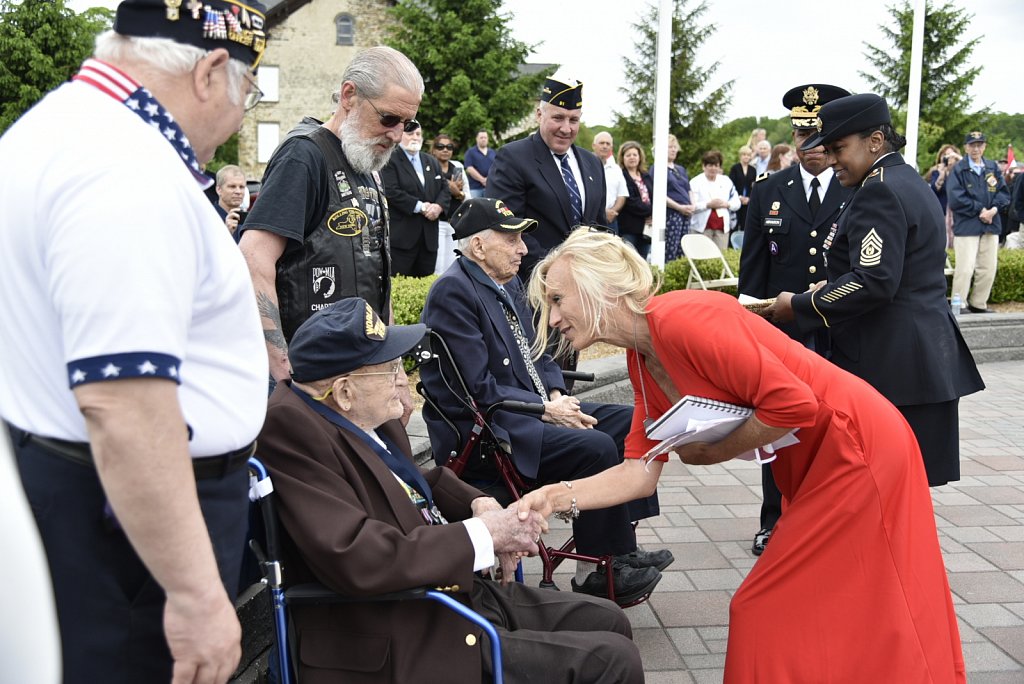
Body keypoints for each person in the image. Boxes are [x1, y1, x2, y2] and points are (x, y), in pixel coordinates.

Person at [519, 230, 967, 683]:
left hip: (856, 446)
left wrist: (712, 453)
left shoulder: (680, 317)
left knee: (766, 605)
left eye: (558, 299)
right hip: (817, 459)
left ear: (598, 285)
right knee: (852, 598)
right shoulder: (642, 357)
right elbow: (639, 473)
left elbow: (795, 404)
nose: (552, 317)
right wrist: (555, 497)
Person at [0, 1, 271, 681]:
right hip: (129, 530)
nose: (240, 120)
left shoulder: (55, 129)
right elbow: (122, 403)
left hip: (89, 501)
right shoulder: (124, 170)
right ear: (212, 70)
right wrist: (195, 594)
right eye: (248, 94)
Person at [257, 297, 644, 684]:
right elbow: (356, 555)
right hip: (398, 624)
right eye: (390, 368)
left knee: (607, 618)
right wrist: (487, 535)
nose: (401, 380)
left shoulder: (358, 415)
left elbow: (410, 482)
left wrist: (479, 503)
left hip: (444, 591)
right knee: (613, 660)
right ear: (344, 392)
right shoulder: (292, 431)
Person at [420, 197, 671, 605]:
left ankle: (620, 547)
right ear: (479, 246)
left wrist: (555, 392)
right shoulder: (454, 292)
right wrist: (544, 409)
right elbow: (476, 388)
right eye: (511, 239)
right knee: (597, 447)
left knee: (632, 423)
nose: (523, 249)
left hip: (534, 410)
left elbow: (537, 351)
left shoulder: (506, 283)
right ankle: (595, 569)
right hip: (494, 430)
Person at [765, 92, 984, 488]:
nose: (831, 160)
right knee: (901, 494)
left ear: (875, 141)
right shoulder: (905, 179)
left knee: (881, 490)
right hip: (917, 359)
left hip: (893, 364)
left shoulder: (877, 190)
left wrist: (800, 304)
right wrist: (832, 286)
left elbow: (874, 282)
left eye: (838, 148)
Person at [239, 46, 423, 383]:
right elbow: (253, 259)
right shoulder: (304, 156)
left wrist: (392, 370)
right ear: (349, 95)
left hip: (360, 368)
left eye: (407, 123)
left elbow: (378, 271)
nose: (397, 134)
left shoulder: (367, 161)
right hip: (311, 374)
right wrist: (281, 369)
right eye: (388, 118)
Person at [738, 83, 853, 556]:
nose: (811, 147)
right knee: (776, 428)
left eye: (820, 137)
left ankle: (827, 522)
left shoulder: (857, 190)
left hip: (838, 334)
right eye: (802, 135)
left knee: (835, 427)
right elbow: (753, 274)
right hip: (782, 336)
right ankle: (774, 520)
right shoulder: (769, 190)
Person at [486, 72, 607, 278]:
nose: (566, 128)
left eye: (573, 120)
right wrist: (556, 270)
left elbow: (599, 225)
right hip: (533, 283)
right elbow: (507, 225)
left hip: (586, 283)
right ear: (539, 115)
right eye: (558, 118)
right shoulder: (514, 157)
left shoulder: (593, 163)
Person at [947, 131, 1011, 313]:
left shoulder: (992, 167)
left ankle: (978, 303)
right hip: (968, 225)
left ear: (984, 146)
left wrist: (994, 210)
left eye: (979, 144)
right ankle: (959, 305)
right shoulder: (959, 169)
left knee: (988, 268)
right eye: (972, 145)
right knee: (965, 268)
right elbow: (955, 198)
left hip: (991, 223)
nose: (976, 148)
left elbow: (1004, 192)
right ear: (966, 147)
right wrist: (980, 209)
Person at [380, 122, 450, 277]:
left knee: (426, 283)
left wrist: (438, 207)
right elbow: (391, 191)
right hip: (403, 239)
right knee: (398, 284)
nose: (415, 137)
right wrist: (421, 207)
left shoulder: (431, 161)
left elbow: (445, 189)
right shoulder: (390, 159)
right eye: (410, 133)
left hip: (429, 240)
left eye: (418, 134)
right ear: (400, 135)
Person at [689, 149, 740, 252]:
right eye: (710, 165)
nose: (713, 168)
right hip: (702, 228)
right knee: (701, 257)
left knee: (720, 258)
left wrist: (726, 204)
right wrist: (708, 205)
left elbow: (737, 203)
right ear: (704, 166)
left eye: (716, 165)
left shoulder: (726, 181)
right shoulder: (695, 182)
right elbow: (692, 206)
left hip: (722, 228)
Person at [431, 132, 465, 274]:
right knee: (438, 265)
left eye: (449, 147)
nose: (445, 150)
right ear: (433, 150)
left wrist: (458, 193)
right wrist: (447, 186)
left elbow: (466, 195)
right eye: (441, 146)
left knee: (453, 263)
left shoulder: (457, 167)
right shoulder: (430, 168)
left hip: (455, 221)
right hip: (437, 222)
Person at [658, 133, 694, 262]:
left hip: (686, 214)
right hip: (672, 214)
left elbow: (689, 189)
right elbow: (659, 194)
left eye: (675, 147)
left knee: (683, 250)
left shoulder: (680, 169)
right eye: (669, 147)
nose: (673, 149)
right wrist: (679, 207)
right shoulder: (657, 168)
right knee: (670, 250)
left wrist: (692, 205)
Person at [617, 140, 654, 259]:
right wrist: (650, 212)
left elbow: (653, 196)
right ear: (623, 158)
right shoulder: (621, 176)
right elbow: (630, 201)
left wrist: (654, 215)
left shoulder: (646, 176)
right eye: (628, 155)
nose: (632, 157)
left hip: (647, 228)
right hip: (630, 227)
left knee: (643, 260)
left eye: (634, 155)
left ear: (640, 157)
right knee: (629, 260)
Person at [927, 143, 963, 248]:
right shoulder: (936, 171)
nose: (948, 158)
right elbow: (933, 190)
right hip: (941, 212)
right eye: (945, 155)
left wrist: (959, 161)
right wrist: (942, 175)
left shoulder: (961, 172)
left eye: (951, 155)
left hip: (957, 213)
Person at [592, 131, 629, 229]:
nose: (605, 146)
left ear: (611, 148)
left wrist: (612, 211)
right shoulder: (584, 165)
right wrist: (601, 212)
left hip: (610, 220)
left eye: (608, 144)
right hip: (589, 219)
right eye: (602, 143)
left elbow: (622, 195)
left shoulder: (616, 169)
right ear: (593, 146)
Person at [727, 144, 756, 239]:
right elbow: (731, 185)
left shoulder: (753, 169)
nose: (746, 157)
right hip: (736, 200)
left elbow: (754, 186)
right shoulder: (735, 168)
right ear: (740, 156)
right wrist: (738, 197)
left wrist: (749, 198)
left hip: (747, 202)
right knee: (734, 225)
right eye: (744, 155)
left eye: (748, 155)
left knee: (746, 224)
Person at [215, 163, 247, 239]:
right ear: (219, 190)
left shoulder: (249, 219)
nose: (238, 191)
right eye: (232, 186)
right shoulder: (208, 217)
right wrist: (225, 234)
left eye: (242, 187)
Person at [464, 129, 496, 199]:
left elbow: (496, 167)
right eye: (481, 137)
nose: (483, 139)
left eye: (485, 137)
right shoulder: (470, 152)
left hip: (490, 187)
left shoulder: (493, 153)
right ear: (476, 139)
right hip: (475, 188)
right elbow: (469, 168)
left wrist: (489, 179)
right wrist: (483, 180)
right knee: (476, 208)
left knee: (489, 208)